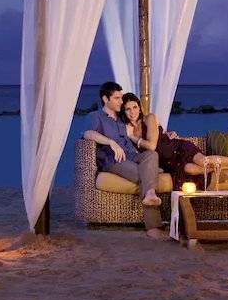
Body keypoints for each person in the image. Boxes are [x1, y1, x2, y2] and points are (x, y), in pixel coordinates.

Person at [82, 81, 165, 236]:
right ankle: (154, 227)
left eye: (121, 98)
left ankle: (150, 193)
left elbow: (141, 127)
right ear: (106, 99)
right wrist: (110, 142)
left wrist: (168, 133)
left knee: (152, 154)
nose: (121, 101)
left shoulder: (121, 118)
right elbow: (88, 134)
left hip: (132, 156)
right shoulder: (95, 116)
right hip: (113, 160)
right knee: (144, 176)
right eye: (117, 98)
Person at [119, 93, 215, 189]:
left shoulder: (149, 118)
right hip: (167, 162)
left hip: (178, 148)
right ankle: (220, 168)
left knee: (203, 161)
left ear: (139, 108)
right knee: (189, 169)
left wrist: (132, 137)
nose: (132, 112)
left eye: (135, 107)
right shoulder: (126, 130)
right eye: (128, 109)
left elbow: (152, 146)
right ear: (124, 111)